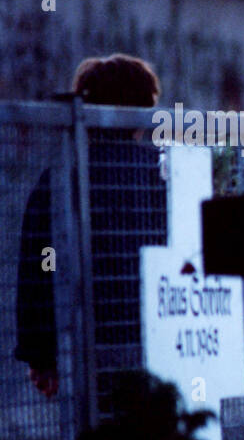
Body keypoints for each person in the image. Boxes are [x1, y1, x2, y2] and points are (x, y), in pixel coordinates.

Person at [14, 54, 162, 403]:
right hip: (161, 343)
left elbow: (42, 265)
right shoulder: (164, 173)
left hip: (86, 347)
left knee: (97, 432)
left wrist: (39, 353)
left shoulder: (60, 178)